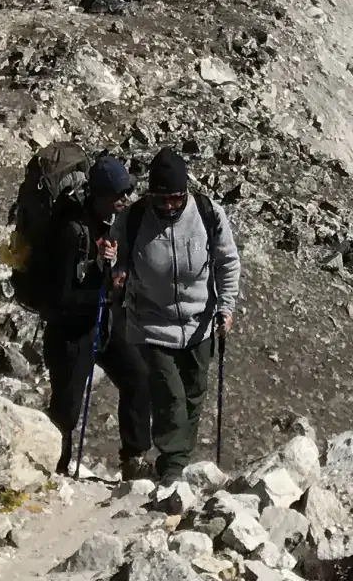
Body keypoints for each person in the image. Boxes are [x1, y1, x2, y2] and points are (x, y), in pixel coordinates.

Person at [117, 148, 241, 484]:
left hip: (199, 322)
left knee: (193, 393)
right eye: (162, 198)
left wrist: (225, 306)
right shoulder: (133, 219)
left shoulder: (207, 213)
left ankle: (177, 461)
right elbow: (116, 260)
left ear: (185, 191)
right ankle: (172, 467)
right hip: (151, 323)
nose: (169, 205)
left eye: (175, 198)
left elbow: (227, 261)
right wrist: (115, 270)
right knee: (170, 394)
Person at [25, 153, 142, 477]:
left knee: (136, 375)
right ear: (101, 195)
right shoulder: (70, 231)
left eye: (127, 191)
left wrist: (111, 270)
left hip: (99, 323)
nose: (126, 198)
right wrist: (105, 292)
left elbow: (96, 278)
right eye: (120, 193)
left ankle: (134, 460)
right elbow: (63, 296)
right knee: (67, 410)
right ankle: (51, 469)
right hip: (70, 333)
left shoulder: (104, 224)